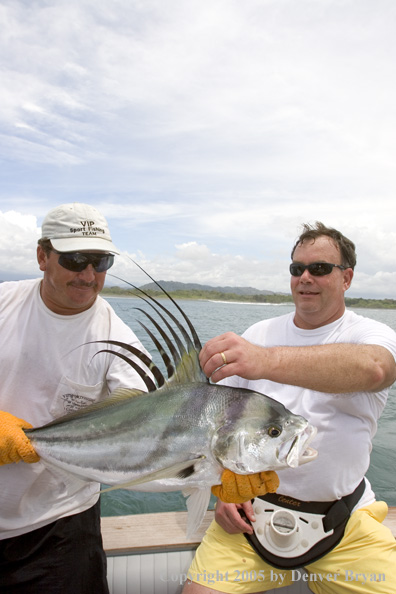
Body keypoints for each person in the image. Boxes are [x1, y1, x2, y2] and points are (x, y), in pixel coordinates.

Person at [183, 222, 396, 594]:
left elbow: (374, 368)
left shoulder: (371, 335)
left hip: (344, 523)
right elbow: (215, 427)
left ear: (346, 277)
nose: (305, 278)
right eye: (297, 269)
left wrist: (264, 361)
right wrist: (223, 491)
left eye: (319, 268)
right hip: (250, 518)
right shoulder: (259, 333)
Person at [0, 203, 152, 593]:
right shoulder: (3, 303)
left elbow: (155, 424)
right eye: (75, 258)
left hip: (58, 527)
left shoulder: (122, 345)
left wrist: (216, 463)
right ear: (42, 256)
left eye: (100, 261)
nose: (88, 275)